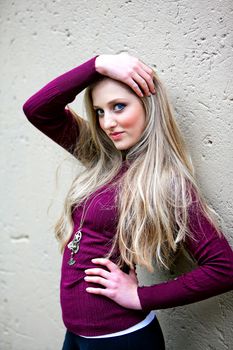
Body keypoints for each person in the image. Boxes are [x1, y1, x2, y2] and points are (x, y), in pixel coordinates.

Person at [22, 52, 233, 350]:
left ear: (148, 106)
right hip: (76, 334)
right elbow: (37, 110)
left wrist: (139, 297)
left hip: (122, 339)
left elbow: (224, 269)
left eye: (119, 107)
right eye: (100, 112)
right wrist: (97, 64)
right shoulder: (101, 158)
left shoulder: (167, 182)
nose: (108, 123)